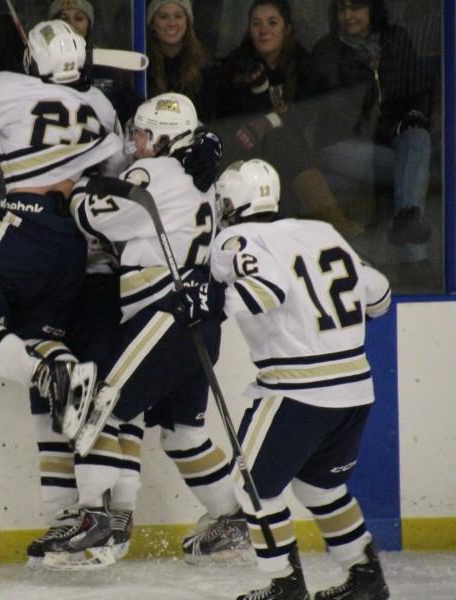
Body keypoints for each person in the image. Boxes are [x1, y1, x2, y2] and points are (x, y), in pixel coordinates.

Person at [33, 93, 248, 569]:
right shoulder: (199, 173)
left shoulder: (156, 172)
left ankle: (96, 519)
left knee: (95, 402)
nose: (136, 143)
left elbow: (98, 219)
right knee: (182, 434)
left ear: (165, 138)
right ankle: (231, 518)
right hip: (199, 322)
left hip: (166, 314)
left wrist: (80, 190)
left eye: (144, 135)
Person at [176, 158, 391, 599]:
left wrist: (208, 298)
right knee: (321, 486)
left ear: (230, 204)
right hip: (354, 389)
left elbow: (263, 292)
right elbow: (380, 295)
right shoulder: (321, 232)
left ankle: (284, 585)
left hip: (296, 391)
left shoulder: (235, 237)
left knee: (254, 486)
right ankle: (367, 578)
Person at [0, 19, 124, 465]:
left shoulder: (8, 86)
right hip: (74, 245)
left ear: (32, 59)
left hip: (23, 229)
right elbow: (114, 172)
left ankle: (53, 375)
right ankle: (68, 374)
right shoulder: (103, 106)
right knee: (38, 334)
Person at [308, 0, 433, 285]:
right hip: (342, 146)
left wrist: (412, 117)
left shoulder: (396, 39)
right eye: (341, 10)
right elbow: (339, 111)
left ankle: (406, 219)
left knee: (419, 139)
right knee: (410, 174)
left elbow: (418, 90)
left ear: (372, 9)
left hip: (392, 140)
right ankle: (416, 259)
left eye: (356, 8)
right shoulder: (328, 50)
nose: (348, 16)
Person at [216, 0, 363, 239]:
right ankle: (334, 220)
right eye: (256, 24)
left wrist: (268, 122)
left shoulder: (302, 63)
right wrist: (261, 97)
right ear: (248, 29)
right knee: (280, 135)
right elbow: (234, 120)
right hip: (242, 153)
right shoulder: (236, 65)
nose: (264, 30)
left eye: (272, 23)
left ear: (287, 28)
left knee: (281, 135)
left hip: (290, 153)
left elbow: (302, 115)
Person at [48, 0, 141, 123]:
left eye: (79, 18)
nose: (70, 25)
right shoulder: (37, 64)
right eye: (63, 19)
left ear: (89, 25)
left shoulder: (105, 65)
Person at [145, 0, 219, 122]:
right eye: (163, 17)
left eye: (178, 16)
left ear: (187, 22)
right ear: (153, 24)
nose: (172, 23)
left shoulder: (206, 67)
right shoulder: (143, 67)